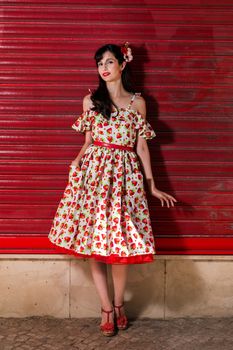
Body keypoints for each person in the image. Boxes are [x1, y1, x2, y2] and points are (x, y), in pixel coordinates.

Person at [48, 42, 177, 336]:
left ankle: (120, 304)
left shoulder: (138, 103)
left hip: (125, 179)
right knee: (95, 244)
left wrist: (152, 185)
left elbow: (142, 146)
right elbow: (88, 143)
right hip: (94, 176)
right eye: (99, 64)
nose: (103, 69)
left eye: (108, 62)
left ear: (122, 64)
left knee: (120, 244)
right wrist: (77, 164)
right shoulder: (91, 101)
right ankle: (106, 307)